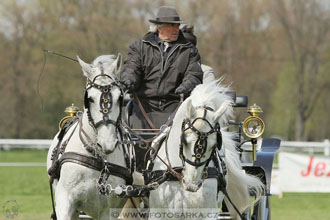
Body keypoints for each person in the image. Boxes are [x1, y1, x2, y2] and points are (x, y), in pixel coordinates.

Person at [120, 6, 203, 133]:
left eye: (177, 25)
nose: (177, 29)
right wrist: (129, 81)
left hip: (174, 106)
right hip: (143, 106)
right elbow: (131, 69)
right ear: (159, 27)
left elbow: (194, 75)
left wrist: (185, 87)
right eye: (172, 25)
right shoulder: (139, 47)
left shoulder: (189, 50)